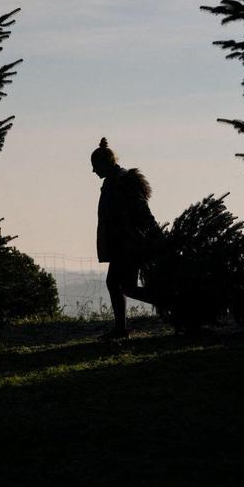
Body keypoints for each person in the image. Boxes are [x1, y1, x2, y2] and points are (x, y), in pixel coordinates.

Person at [91, 137, 159, 339]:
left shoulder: (123, 182)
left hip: (129, 244)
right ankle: (121, 328)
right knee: (118, 285)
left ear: (105, 163)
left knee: (121, 285)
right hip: (122, 244)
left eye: (95, 166)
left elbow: (143, 211)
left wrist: (156, 233)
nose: (93, 171)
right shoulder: (113, 182)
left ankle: (167, 302)